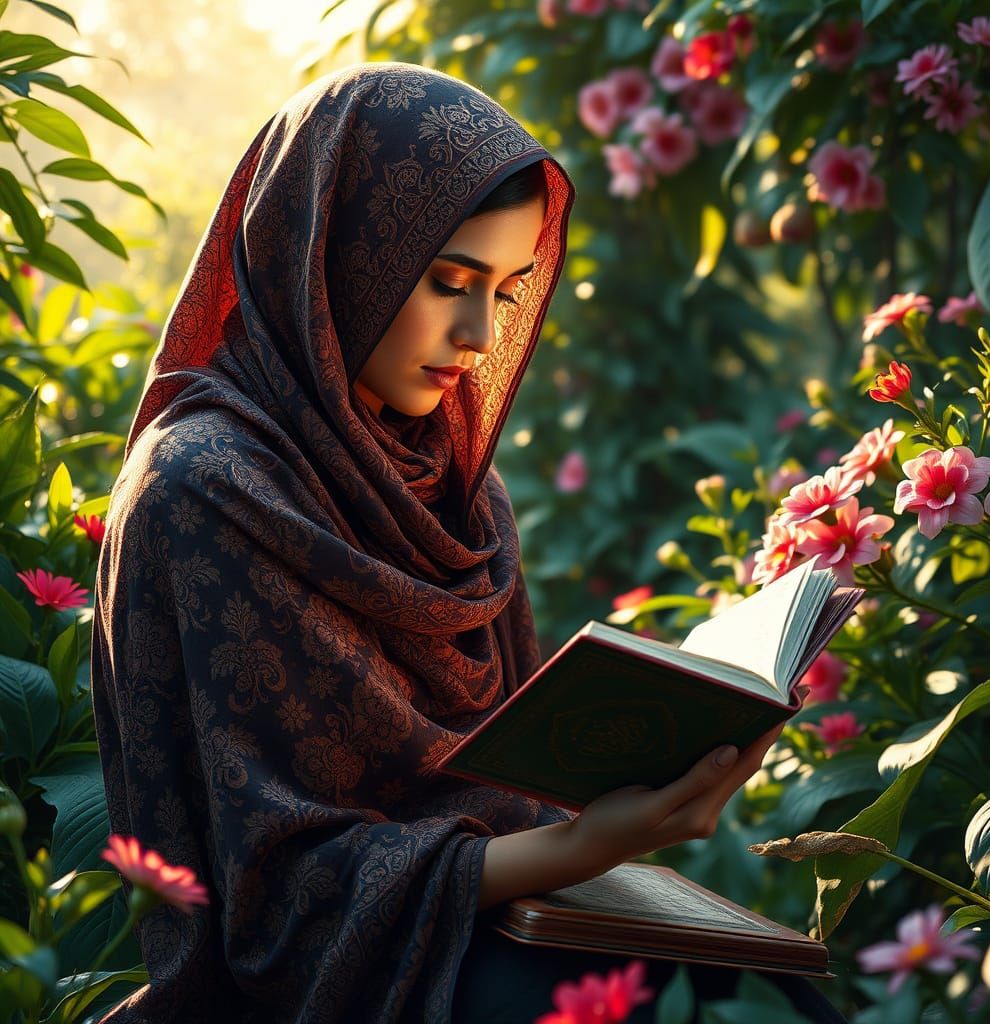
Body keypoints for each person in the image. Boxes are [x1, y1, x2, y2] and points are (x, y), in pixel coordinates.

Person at [90, 62, 845, 1023]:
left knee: (773, 999)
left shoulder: (455, 490)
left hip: (512, 913)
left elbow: (498, 781)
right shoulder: (203, 486)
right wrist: (581, 848)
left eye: (507, 287)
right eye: (449, 280)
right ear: (336, 253)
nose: (481, 332)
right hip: (350, 981)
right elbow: (272, 905)